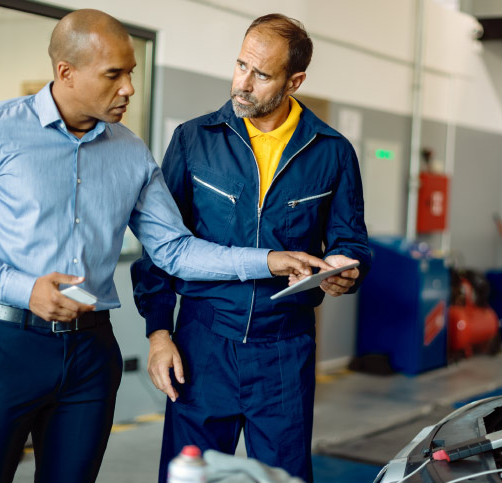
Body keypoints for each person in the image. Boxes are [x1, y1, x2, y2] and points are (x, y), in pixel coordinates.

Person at [0, 9, 328, 483]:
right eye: (114, 74)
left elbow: (175, 250)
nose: (129, 87)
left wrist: (270, 261)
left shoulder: (132, 153)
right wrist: (23, 288)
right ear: (66, 72)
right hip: (6, 347)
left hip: (91, 355)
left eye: (131, 72)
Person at [131, 13, 371, 482]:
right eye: (241, 65)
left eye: (261, 75)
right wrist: (159, 334)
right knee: (187, 475)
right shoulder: (195, 140)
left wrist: (347, 268)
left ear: (294, 80)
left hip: (284, 349)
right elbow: (161, 249)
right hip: (201, 344)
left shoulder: (332, 152)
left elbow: (351, 240)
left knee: (283, 477)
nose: (242, 83)